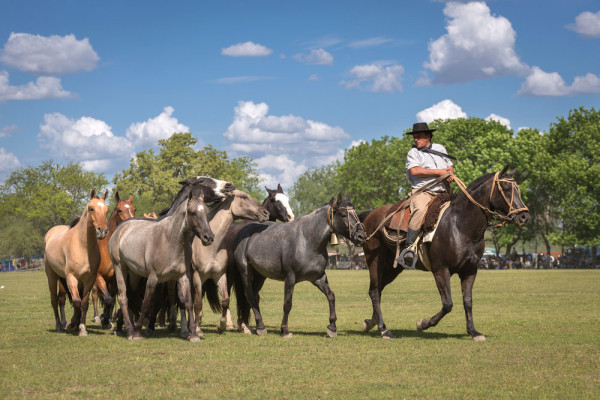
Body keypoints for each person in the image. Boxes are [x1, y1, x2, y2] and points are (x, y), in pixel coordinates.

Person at [397, 122, 454, 268]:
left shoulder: (440, 148)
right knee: (420, 210)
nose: (416, 140)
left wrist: (450, 174)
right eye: (414, 137)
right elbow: (414, 171)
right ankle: (409, 248)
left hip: (443, 192)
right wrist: (439, 173)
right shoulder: (413, 153)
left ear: (428, 136)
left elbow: (449, 165)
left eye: (418, 137)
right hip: (423, 192)